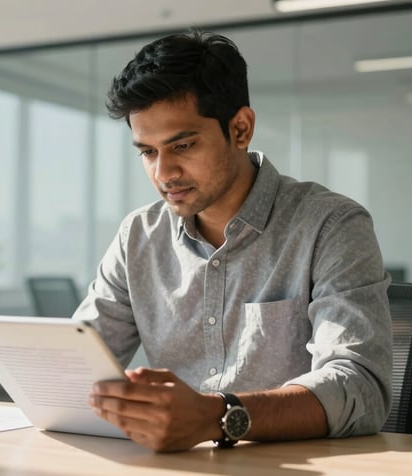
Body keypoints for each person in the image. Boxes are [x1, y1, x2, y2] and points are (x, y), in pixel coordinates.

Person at [73, 30, 392, 453]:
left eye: (182, 145)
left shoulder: (330, 224)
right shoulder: (139, 236)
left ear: (240, 129)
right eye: (147, 152)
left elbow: (361, 388)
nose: (164, 173)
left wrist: (215, 417)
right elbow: (75, 365)